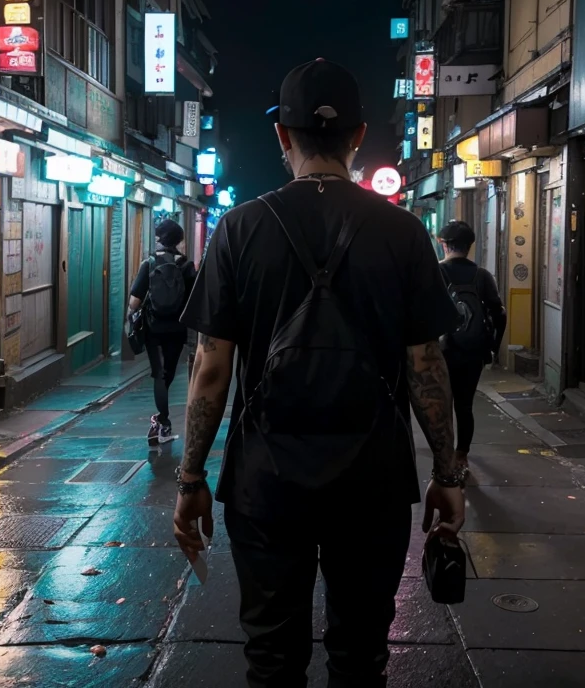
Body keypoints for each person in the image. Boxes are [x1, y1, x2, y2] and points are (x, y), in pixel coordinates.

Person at [172, 58, 466, 688]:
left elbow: (211, 367)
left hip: (265, 482)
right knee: (361, 657)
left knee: (272, 658)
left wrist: (192, 475)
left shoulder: (239, 229)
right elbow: (425, 364)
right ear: (359, 136)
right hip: (373, 481)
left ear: (283, 136)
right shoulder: (405, 231)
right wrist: (447, 473)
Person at [437, 220, 506, 477]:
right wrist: (492, 349)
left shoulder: (436, 273)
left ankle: (443, 458)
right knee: (464, 406)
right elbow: (499, 315)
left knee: (441, 407)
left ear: (443, 245)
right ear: (469, 247)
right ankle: (462, 456)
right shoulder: (482, 276)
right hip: (472, 352)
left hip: (441, 353)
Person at [127, 218, 196, 446]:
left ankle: (162, 424)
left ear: (159, 238)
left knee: (158, 373)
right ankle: (161, 423)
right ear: (179, 241)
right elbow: (193, 301)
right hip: (176, 328)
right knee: (169, 372)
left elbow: (134, 303)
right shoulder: (186, 265)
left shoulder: (149, 263)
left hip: (153, 328)